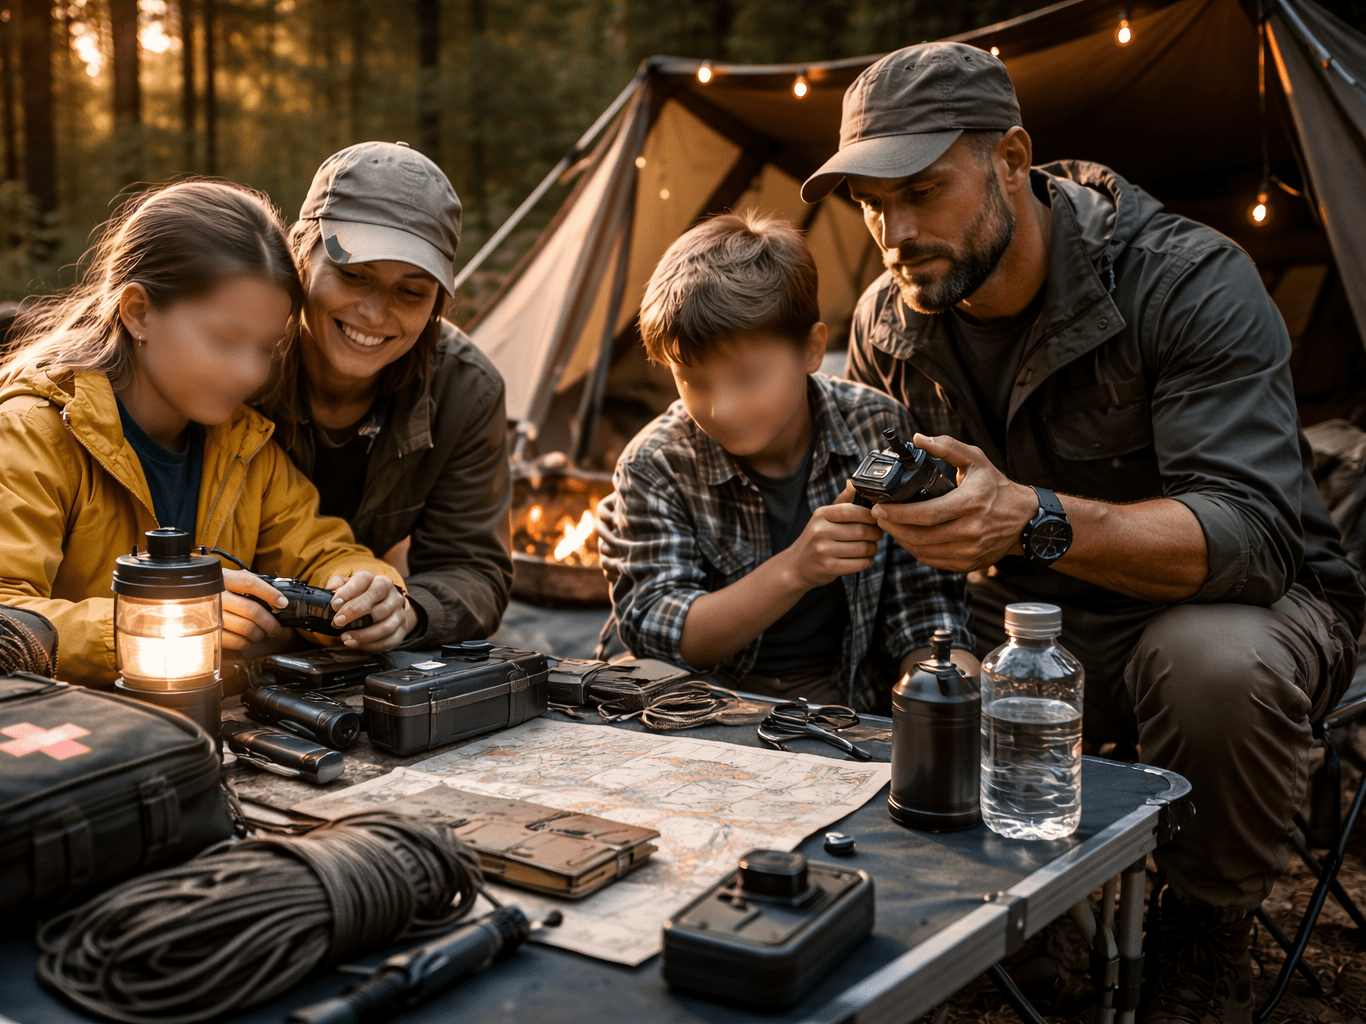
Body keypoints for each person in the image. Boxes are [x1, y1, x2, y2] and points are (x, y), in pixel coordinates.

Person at [800, 41, 1365, 1022]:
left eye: (923, 189)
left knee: (1211, 662)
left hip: (1234, 607)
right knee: (914, 666)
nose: (893, 229)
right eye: (869, 202)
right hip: (1024, 616)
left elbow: (1254, 536)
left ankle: (1203, 919)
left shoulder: (1184, 280)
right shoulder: (889, 322)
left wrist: (1029, 514)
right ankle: (1032, 907)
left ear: (1011, 159)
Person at [0, 180, 412, 688]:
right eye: (226, 339)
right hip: (57, 737)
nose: (251, 373)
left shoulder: (243, 446)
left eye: (267, 348)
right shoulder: (36, 432)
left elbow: (319, 551)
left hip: (203, 733)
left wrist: (369, 590)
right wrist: (156, 624)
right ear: (138, 311)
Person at [600, 210, 974, 708]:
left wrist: (950, 694)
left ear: (812, 349)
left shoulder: (875, 428)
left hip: (846, 703)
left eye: (748, 377)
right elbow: (659, 630)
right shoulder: (656, 464)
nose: (721, 407)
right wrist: (797, 568)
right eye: (693, 380)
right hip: (700, 707)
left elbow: (924, 610)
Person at [257, 142, 513, 650]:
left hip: (349, 657)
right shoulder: (239, 358)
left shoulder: (466, 392)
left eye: (411, 292)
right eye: (353, 274)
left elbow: (474, 567)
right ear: (299, 255)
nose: (375, 313)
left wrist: (410, 613)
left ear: (438, 302)